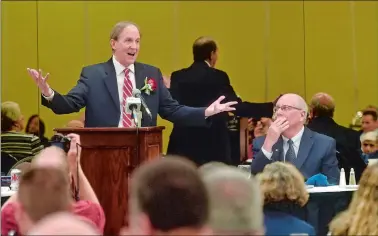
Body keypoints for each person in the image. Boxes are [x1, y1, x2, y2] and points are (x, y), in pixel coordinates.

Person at [26, 22, 237, 129]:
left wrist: (206, 112)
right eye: (128, 41)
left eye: (137, 41)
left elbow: (172, 110)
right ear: (113, 43)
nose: (134, 46)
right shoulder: (93, 74)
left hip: (143, 152)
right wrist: (48, 92)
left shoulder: (150, 73)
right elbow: (69, 104)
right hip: (104, 154)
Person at [166, 36, 276, 165]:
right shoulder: (218, 76)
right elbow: (235, 106)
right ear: (212, 54)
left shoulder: (177, 76)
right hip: (212, 144)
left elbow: (173, 107)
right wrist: (271, 107)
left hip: (182, 144)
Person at [251, 93, 340, 184]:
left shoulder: (324, 144)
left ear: (302, 115)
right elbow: (256, 177)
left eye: (285, 108)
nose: (279, 112)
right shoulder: (262, 143)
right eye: (276, 109)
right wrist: (269, 143)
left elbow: (333, 184)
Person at [306, 92, 366, 183]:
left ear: (312, 111)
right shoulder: (351, 135)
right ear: (333, 112)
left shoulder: (301, 135)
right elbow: (360, 169)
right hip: (343, 190)